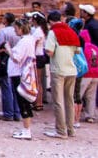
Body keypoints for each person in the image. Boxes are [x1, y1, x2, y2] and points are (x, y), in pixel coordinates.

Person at [44, 11, 79, 139]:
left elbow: (49, 52)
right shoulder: (71, 31)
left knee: (58, 101)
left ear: (51, 21)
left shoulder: (53, 32)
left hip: (58, 70)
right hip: (71, 70)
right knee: (69, 100)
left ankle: (61, 130)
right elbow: (77, 50)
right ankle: (70, 129)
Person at [10, 19, 37, 140]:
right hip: (26, 72)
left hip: (20, 73)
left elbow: (17, 58)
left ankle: (27, 129)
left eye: (16, 28)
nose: (15, 30)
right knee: (24, 100)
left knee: (22, 101)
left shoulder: (24, 42)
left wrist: (8, 50)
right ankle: (26, 128)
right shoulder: (29, 39)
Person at [0, 13, 21, 121]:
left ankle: (8, 113)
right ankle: (17, 112)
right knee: (16, 88)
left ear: (6, 20)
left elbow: (0, 47)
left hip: (6, 60)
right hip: (17, 61)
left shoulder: (4, 32)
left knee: (6, 87)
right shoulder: (18, 32)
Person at [29, 11, 48, 110]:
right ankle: (38, 102)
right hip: (40, 56)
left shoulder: (37, 31)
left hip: (37, 56)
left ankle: (38, 102)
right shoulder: (41, 30)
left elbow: (34, 44)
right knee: (38, 81)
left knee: (37, 81)